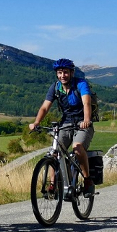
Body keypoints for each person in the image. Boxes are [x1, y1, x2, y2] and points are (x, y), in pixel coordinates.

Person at [29, 58, 95, 196]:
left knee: (77, 148)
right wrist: (36, 122)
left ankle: (87, 179)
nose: (62, 75)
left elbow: (86, 103)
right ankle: (53, 185)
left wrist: (86, 120)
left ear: (71, 73)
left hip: (82, 123)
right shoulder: (55, 87)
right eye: (60, 73)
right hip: (66, 123)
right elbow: (45, 107)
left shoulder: (80, 84)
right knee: (55, 151)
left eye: (65, 72)